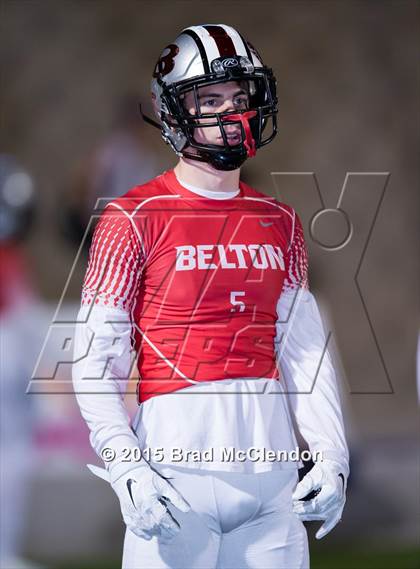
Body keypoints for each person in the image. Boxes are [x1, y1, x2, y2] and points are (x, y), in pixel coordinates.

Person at [72, 24, 349, 569]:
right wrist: (126, 465)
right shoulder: (131, 218)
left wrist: (331, 454)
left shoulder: (282, 222)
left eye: (240, 97)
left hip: (273, 478)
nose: (232, 112)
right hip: (174, 476)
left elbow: (304, 353)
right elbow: (94, 362)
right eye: (211, 99)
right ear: (174, 112)